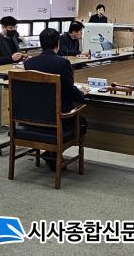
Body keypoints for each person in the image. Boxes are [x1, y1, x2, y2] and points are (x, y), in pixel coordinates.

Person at [23, 28, 88, 171]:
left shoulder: (29, 64)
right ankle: (53, 153)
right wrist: (81, 94)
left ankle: (51, 153)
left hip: (31, 118)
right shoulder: (62, 63)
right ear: (57, 44)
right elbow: (70, 92)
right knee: (82, 121)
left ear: (41, 43)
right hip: (57, 120)